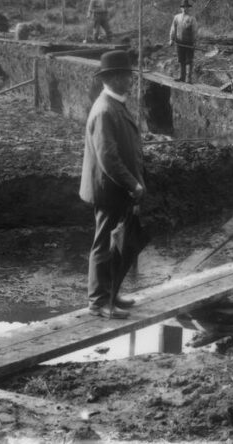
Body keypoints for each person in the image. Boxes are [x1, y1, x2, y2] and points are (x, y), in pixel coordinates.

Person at [79, 50, 145, 319]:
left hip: (118, 189)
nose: (131, 80)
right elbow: (108, 157)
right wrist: (133, 184)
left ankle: (111, 292)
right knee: (104, 244)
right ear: (114, 78)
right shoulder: (105, 109)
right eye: (127, 75)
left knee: (117, 243)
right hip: (108, 190)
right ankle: (98, 302)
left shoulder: (115, 103)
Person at [168, 0, 197, 83]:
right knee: (181, 60)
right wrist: (171, 39)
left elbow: (194, 32)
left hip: (189, 43)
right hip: (179, 42)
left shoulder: (192, 19)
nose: (185, 9)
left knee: (189, 60)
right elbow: (173, 29)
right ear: (181, 8)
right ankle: (182, 77)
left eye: (187, 7)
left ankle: (189, 78)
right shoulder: (177, 17)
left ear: (189, 8)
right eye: (184, 7)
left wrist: (194, 42)